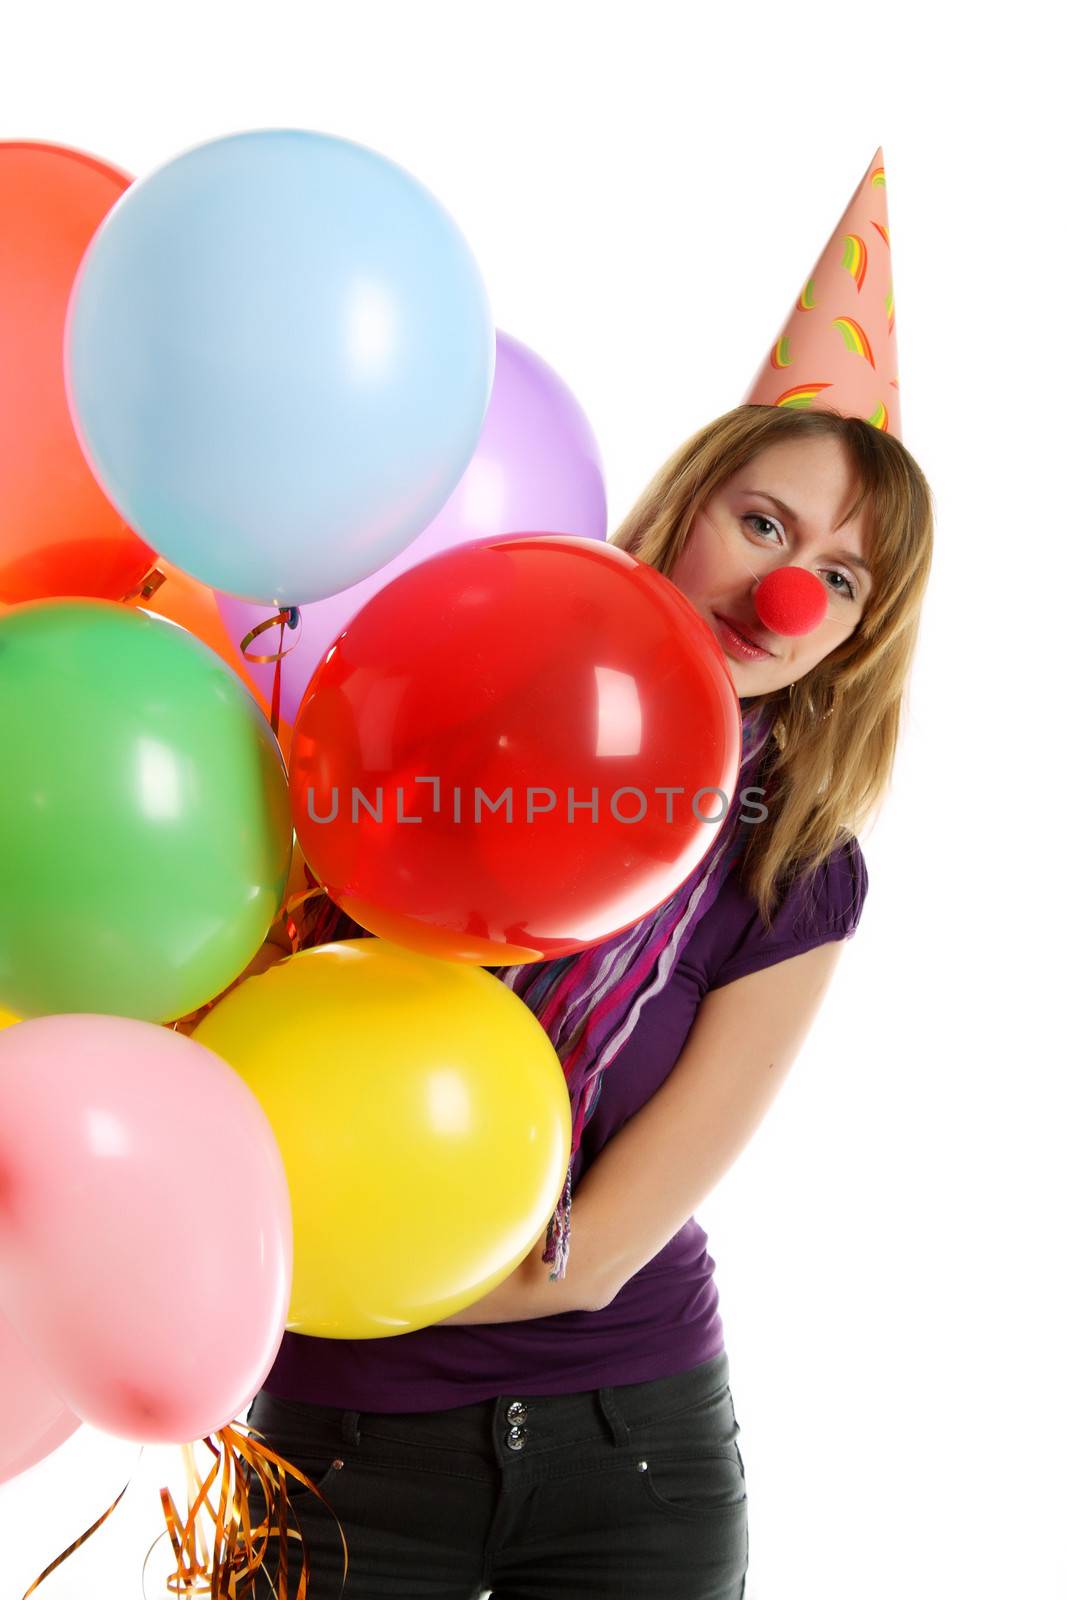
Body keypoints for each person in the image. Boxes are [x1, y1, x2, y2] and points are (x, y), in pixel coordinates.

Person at [236, 149, 935, 1599]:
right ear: (686, 507)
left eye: (844, 578)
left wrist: (297, 1282)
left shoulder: (793, 865)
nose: (787, 592)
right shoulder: (426, 709)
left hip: (636, 1455)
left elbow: (595, 1257)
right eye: (763, 524)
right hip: (341, 1451)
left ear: (856, 637)